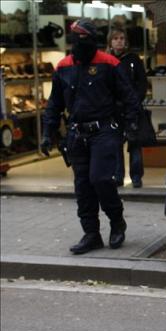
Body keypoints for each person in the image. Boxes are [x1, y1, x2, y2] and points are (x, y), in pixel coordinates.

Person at [42, 19, 140, 254]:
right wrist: (48, 132)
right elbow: (54, 104)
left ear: (94, 39)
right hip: (77, 134)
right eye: (77, 37)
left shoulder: (109, 63)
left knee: (101, 179)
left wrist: (131, 125)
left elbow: (129, 96)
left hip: (104, 130)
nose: (80, 42)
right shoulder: (63, 67)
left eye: (85, 37)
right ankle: (91, 234)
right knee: (83, 186)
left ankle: (117, 222)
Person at [108, 27, 148, 189]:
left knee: (135, 144)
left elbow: (142, 82)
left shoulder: (133, 60)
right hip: (113, 109)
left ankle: (136, 176)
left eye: (122, 38)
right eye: (116, 38)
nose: (119, 41)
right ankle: (118, 176)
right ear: (110, 42)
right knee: (115, 144)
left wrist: (136, 101)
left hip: (133, 107)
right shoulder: (107, 60)